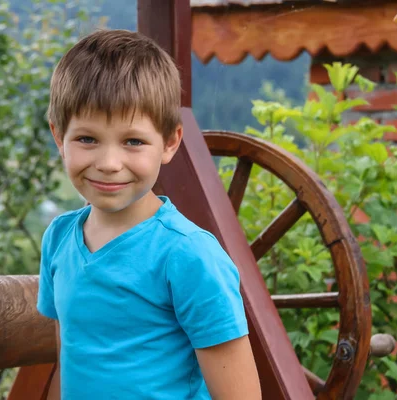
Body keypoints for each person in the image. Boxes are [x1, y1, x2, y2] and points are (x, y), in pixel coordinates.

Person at [37, 29, 261, 400]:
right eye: (87, 139)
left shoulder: (188, 256)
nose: (109, 164)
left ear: (170, 142)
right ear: (59, 136)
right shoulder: (59, 239)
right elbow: (67, 362)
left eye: (133, 141)